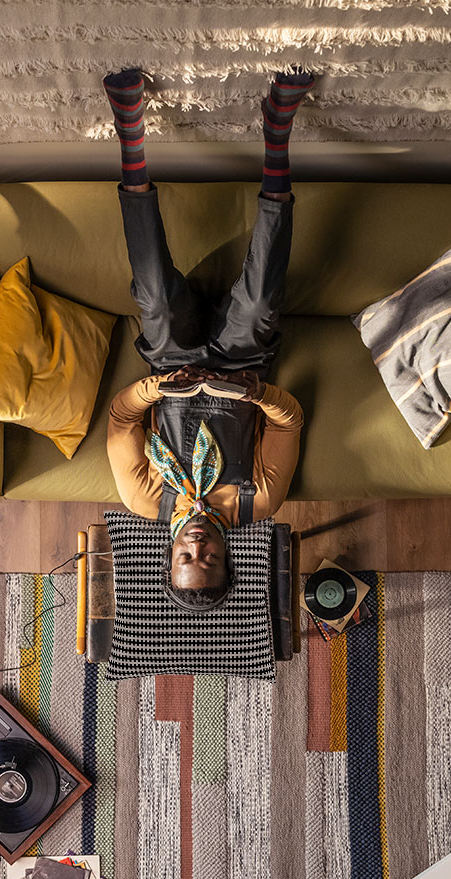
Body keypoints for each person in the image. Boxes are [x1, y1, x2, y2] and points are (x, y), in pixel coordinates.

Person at [103, 67, 311, 612]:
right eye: (210, 558)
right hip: (244, 362)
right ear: (228, 556)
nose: (197, 546)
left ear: (168, 555)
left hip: (169, 360)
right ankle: (277, 134)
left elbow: (121, 420)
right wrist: (253, 393)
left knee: (155, 299)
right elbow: (290, 421)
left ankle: (130, 137)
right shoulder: (257, 503)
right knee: (261, 302)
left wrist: (157, 390)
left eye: (185, 558)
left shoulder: (144, 498)